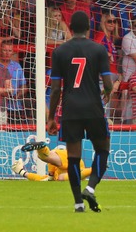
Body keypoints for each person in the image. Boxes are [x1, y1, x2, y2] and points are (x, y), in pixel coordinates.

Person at [47, 11, 113, 212]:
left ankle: (78, 203)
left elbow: (56, 88)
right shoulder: (98, 50)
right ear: (88, 28)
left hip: (70, 109)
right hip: (93, 107)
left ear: (71, 28)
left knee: (73, 156)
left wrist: (51, 117)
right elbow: (108, 83)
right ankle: (90, 188)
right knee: (102, 149)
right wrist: (107, 93)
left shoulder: (59, 52)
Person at [12, 139, 91, 181]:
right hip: (72, 165)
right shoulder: (55, 177)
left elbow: (40, 178)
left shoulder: (53, 175)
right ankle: (42, 148)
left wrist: (51, 173)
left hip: (68, 159)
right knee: (62, 177)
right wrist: (21, 172)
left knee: (46, 157)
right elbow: (39, 179)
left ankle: (42, 148)